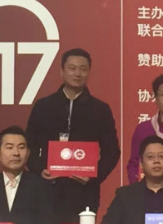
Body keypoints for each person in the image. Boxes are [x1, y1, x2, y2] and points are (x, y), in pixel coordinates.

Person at [26, 48, 120, 223]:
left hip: (84, 192)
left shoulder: (100, 109)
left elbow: (112, 151)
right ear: (62, 71)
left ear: (89, 72)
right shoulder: (44, 106)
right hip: (47, 188)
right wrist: (39, 170)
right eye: (72, 68)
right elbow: (28, 145)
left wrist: (95, 176)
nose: (77, 73)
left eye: (83, 69)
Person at [0, 126, 57, 224]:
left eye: (21, 147)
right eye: (9, 147)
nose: (16, 153)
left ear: (28, 153)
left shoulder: (42, 187)